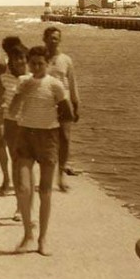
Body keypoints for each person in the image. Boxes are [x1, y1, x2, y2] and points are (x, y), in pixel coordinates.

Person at [8, 45, 73, 256]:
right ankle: (28, 233)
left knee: (45, 192)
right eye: (33, 63)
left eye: (40, 63)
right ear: (28, 63)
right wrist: (22, 93)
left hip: (48, 137)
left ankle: (43, 238)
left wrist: (62, 145)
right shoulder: (23, 82)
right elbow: (12, 110)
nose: (36, 67)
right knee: (24, 188)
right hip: (26, 135)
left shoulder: (55, 85)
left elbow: (67, 114)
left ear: (47, 64)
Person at [0, 41, 29, 218]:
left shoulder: (33, 78)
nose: (20, 61)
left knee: (25, 167)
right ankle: (20, 207)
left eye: (22, 58)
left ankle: (25, 202)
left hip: (30, 126)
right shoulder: (5, 78)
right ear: (10, 61)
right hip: (11, 124)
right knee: (17, 164)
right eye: (16, 58)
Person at [43, 26, 80, 192]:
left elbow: (72, 84)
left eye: (56, 38)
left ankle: (61, 175)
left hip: (63, 103)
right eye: (50, 37)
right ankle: (46, 175)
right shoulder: (39, 57)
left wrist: (76, 104)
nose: (53, 41)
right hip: (44, 103)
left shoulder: (66, 60)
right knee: (45, 140)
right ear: (44, 39)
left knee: (64, 138)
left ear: (60, 40)